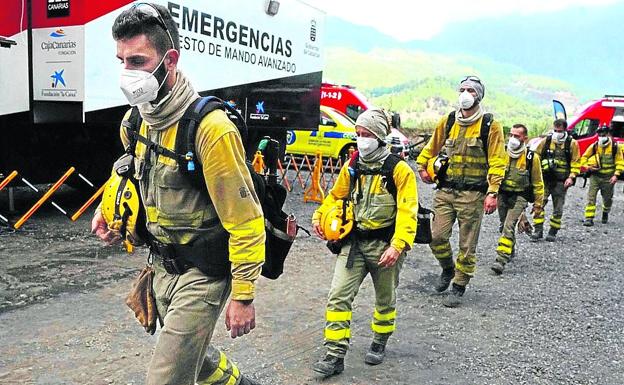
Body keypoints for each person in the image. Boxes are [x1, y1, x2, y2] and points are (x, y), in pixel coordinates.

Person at [91, 4, 263, 385]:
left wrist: (244, 295)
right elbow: (133, 173)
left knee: (165, 377)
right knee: (193, 358)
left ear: (170, 60)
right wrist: (112, 211)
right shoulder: (135, 120)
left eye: (137, 60)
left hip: (205, 270)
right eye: (121, 60)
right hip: (163, 268)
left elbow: (247, 221)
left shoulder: (210, 130)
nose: (127, 73)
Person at [310, 108, 418, 376]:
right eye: (358, 134)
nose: (361, 139)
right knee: (338, 297)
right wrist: (320, 215)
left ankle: (379, 342)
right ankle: (334, 354)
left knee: (385, 299)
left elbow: (408, 210)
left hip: (385, 247)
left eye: (366, 134)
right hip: (353, 245)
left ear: (380, 136)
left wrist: (399, 244)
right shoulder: (353, 166)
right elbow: (335, 196)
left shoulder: (399, 170)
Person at [416, 76, 506, 307]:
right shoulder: (448, 122)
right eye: (462, 89)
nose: (465, 94)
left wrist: (493, 192)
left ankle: (459, 285)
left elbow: (497, 160)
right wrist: (422, 166)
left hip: (473, 195)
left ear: (479, 96)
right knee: (436, 237)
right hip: (445, 191)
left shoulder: (490, 126)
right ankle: (448, 269)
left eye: (471, 91)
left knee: (467, 245)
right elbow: (431, 147)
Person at [490, 124, 544, 275]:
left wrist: (538, 204)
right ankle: (510, 248)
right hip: (503, 194)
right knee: (503, 225)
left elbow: (538, 183)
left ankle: (501, 259)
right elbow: (492, 174)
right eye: (511, 135)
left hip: (520, 196)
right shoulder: (501, 153)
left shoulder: (532, 158)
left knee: (508, 226)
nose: (513, 139)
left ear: (525, 138)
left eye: (517, 136)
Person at [530, 119, 580, 241]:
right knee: (539, 204)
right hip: (545, 180)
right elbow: (536, 156)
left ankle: (553, 231)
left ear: (565, 130)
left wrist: (571, 177)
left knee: (558, 208)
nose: (557, 133)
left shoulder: (572, 143)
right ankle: (538, 230)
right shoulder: (546, 141)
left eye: (560, 131)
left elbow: (576, 162)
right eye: (555, 130)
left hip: (561, 182)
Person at [580, 124, 624, 226]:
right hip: (595, 176)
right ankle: (589, 218)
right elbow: (583, 158)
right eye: (599, 135)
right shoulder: (595, 146)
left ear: (608, 134)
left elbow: (620, 162)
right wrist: (588, 167)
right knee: (591, 197)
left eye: (603, 134)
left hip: (608, 178)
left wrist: (616, 175)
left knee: (607, 199)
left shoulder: (615, 147)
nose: (601, 137)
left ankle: (605, 212)